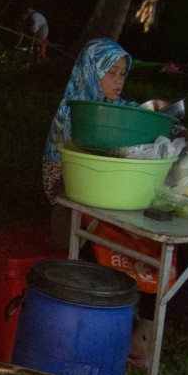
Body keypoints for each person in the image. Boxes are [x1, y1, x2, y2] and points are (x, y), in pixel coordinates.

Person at [42, 38, 130, 246]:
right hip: (69, 190)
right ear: (91, 71)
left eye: (122, 73)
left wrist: (180, 130)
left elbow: (142, 113)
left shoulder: (114, 107)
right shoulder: (73, 112)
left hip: (101, 183)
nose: (118, 80)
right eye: (111, 72)